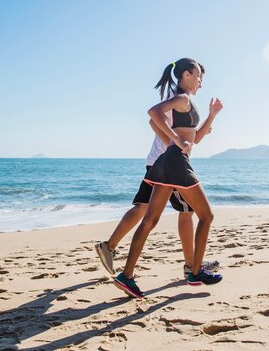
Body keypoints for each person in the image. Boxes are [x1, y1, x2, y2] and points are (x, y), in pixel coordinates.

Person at [94, 64, 219, 280]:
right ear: (186, 75)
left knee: (146, 211)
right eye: (199, 76)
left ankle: (112, 250)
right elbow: (153, 119)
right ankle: (192, 267)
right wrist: (175, 142)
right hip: (169, 164)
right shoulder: (179, 97)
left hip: (163, 161)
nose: (201, 81)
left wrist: (201, 125)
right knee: (185, 213)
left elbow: (191, 135)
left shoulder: (180, 98)